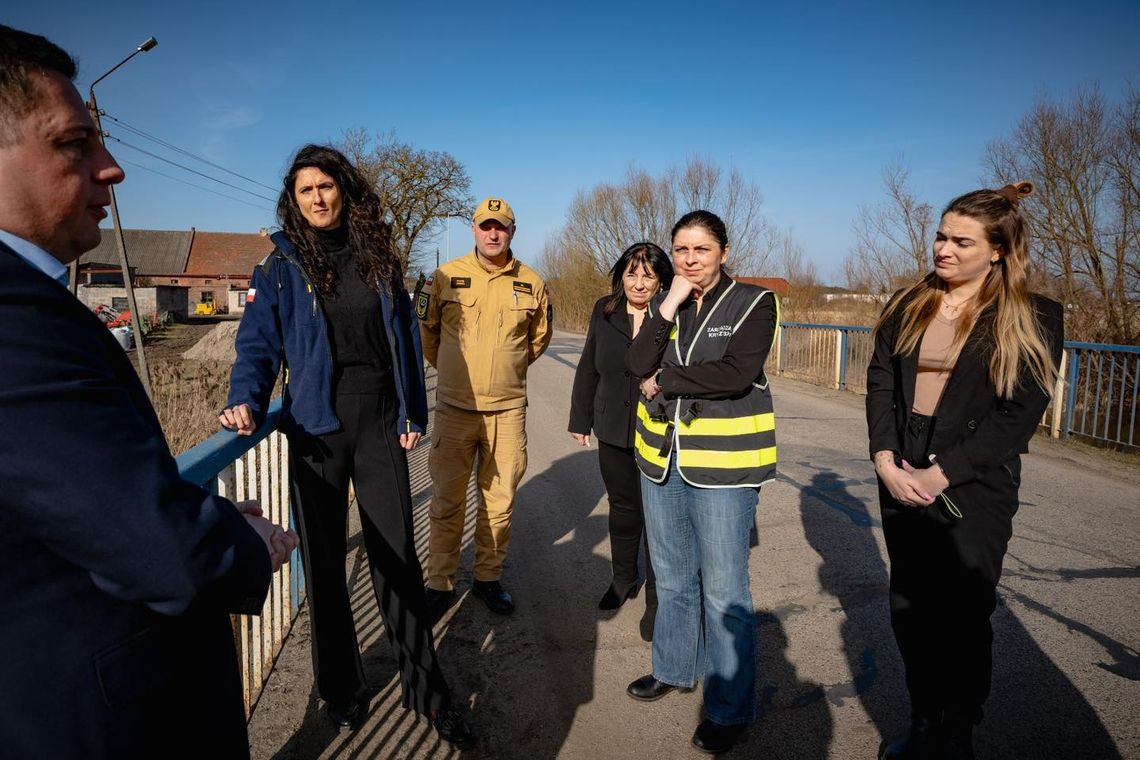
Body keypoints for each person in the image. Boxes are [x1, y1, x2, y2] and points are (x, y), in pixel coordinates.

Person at [0, 25, 297, 759]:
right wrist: (243, 541)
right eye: (75, 144)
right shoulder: (13, 316)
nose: (113, 169)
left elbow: (67, 493)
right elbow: (153, 547)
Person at [221, 145, 473, 746]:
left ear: (344, 189)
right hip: (313, 428)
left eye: (325, 186)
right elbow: (258, 343)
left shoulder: (379, 255)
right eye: (305, 190)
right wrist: (246, 397)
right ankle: (341, 691)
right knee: (327, 568)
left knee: (395, 558)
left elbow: (406, 341)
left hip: (380, 418)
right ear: (295, 199)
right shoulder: (278, 266)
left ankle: (425, 690)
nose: (317, 197)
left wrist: (414, 407)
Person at [866, 183, 1063, 760]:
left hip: (976, 478)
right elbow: (881, 381)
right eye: (940, 235)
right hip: (901, 464)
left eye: (960, 240)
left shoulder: (1033, 314)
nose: (942, 249)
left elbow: (1019, 413)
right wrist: (883, 457)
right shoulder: (908, 302)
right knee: (909, 605)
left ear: (998, 249)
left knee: (963, 610)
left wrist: (942, 474)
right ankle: (924, 720)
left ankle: (957, 731)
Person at [626, 210, 779, 755]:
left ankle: (729, 707)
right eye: (682, 250)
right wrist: (664, 305)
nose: (690, 260)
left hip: (723, 468)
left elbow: (735, 374)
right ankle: (672, 668)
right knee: (669, 577)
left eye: (702, 250)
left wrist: (664, 378)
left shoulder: (754, 303)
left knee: (723, 589)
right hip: (662, 461)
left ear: (724, 252)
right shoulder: (664, 304)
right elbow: (634, 360)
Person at [417, 197, 552, 617]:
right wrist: (459, 372)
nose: (493, 234)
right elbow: (427, 333)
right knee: (447, 501)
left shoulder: (533, 282)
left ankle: (487, 580)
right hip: (456, 409)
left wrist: (503, 371)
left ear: (512, 232)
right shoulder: (444, 276)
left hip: (508, 412)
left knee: (500, 501)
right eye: (485, 226)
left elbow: (537, 340)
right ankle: (439, 583)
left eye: (502, 227)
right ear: (474, 229)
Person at [568, 242, 673, 639]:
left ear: (661, 279)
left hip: (659, 432)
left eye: (648, 275)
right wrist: (580, 418)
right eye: (632, 273)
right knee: (623, 509)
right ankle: (623, 578)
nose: (639, 283)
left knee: (660, 518)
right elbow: (588, 364)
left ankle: (657, 600)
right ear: (620, 276)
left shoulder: (673, 314)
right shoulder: (604, 309)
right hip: (612, 427)